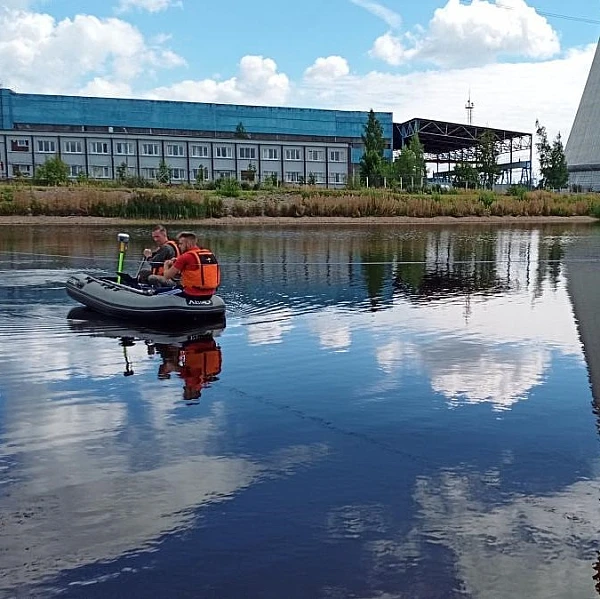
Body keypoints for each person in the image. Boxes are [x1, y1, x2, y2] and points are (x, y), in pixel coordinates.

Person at [151, 231, 221, 298]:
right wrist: (177, 262)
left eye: (181, 244)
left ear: (188, 244)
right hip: (209, 294)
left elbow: (167, 276)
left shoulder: (185, 257)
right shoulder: (209, 254)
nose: (179, 246)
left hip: (191, 293)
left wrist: (166, 265)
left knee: (156, 292)